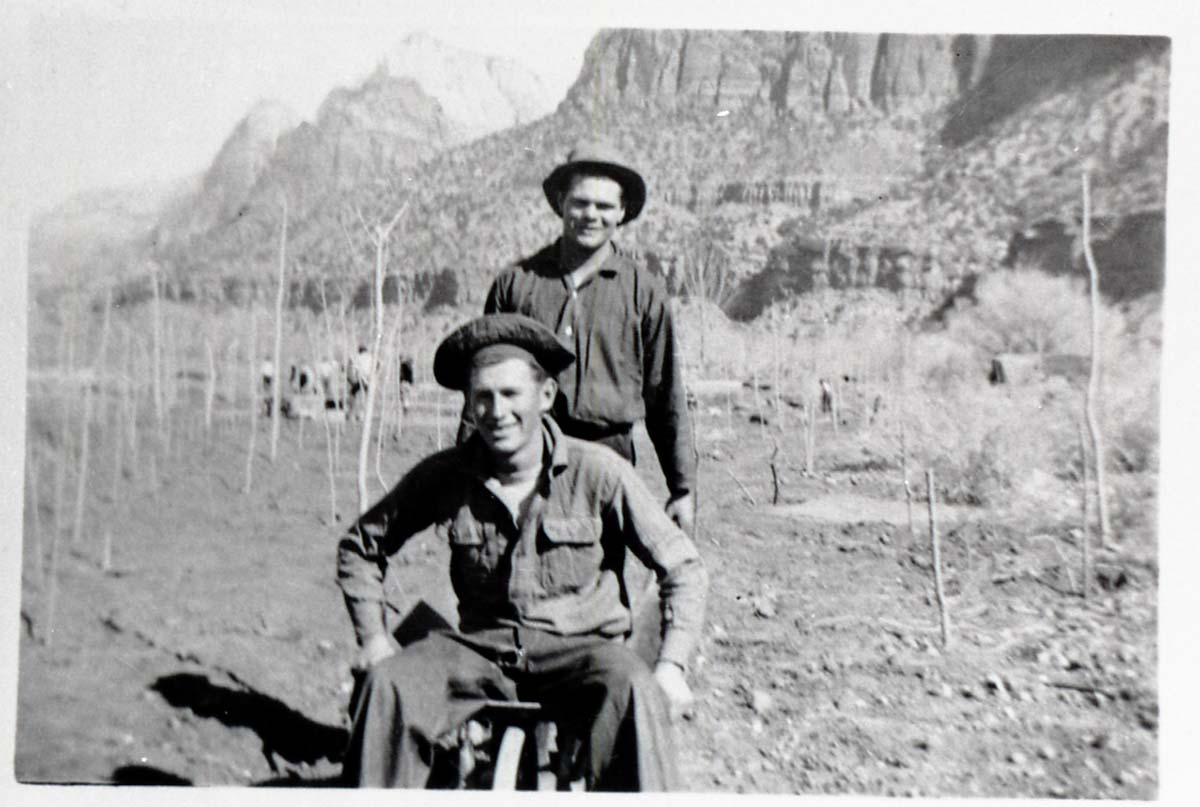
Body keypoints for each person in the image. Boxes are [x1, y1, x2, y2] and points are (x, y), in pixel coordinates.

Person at [337, 314, 707, 790]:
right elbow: (360, 546)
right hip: (480, 651)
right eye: (482, 397)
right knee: (387, 685)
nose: (496, 411)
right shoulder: (446, 475)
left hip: (582, 651)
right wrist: (372, 637)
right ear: (469, 404)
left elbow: (683, 565)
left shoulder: (599, 472)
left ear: (545, 396)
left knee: (636, 691)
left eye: (510, 395)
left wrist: (672, 665)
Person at [477, 140, 697, 536]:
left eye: (604, 206)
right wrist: (466, 470)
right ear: (561, 201)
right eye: (580, 202)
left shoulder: (643, 292)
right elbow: (483, 382)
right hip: (525, 455)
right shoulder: (516, 284)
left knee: (599, 582)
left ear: (622, 212)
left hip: (607, 461)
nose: (591, 215)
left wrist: (682, 487)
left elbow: (666, 396)